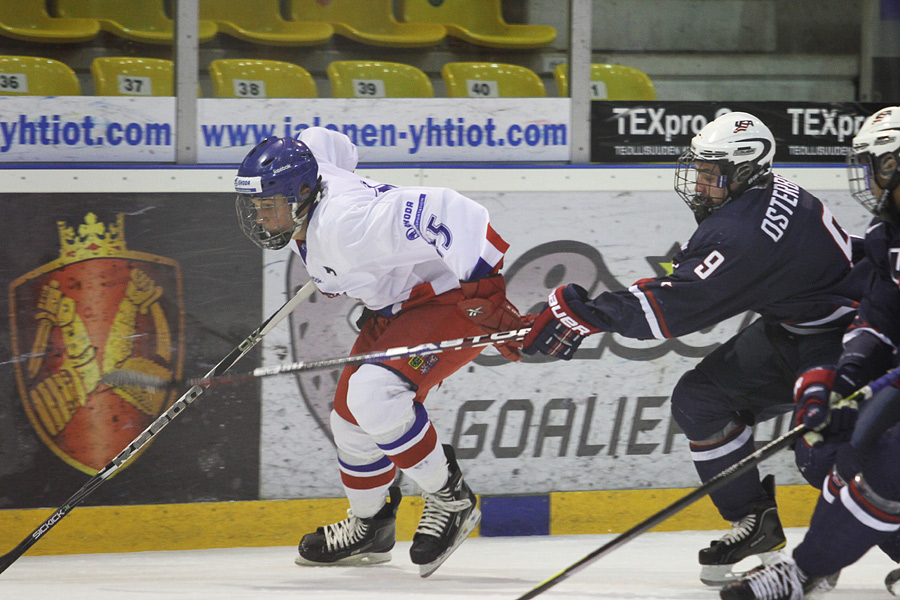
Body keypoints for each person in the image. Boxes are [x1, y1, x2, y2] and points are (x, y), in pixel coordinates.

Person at [522, 111, 869, 586]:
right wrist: (591, 314)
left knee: (821, 454)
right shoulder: (759, 196)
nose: (700, 186)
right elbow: (686, 281)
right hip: (799, 327)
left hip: (852, 336)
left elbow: (671, 308)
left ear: (745, 169)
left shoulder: (743, 235)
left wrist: (585, 314)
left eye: (712, 176)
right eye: (700, 173)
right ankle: (755, 522)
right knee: (701, 399)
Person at [233, 127, 530, 577]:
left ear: (304, 193)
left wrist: (483, 292)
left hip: (449, 299)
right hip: (397, 304)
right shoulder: (312, 169)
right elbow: (328, 142)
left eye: (269, 207)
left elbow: (452, 209)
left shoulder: (344, 225)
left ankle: (450, 496)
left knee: (373, 393)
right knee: (349, 419)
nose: (261, 219)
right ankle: (371, 527)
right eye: (256, 208)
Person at [720, 107, 900, 600]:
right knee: (829, 449)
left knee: (890, 457)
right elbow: (879, 322)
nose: (874, 180)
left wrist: (878, 391)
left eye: (884, 166)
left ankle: (801, 573)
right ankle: (809, 571)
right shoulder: (889, 236)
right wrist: (839, 382)